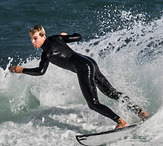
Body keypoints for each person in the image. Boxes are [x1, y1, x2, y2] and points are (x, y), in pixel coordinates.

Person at [10, 25, 149, 129]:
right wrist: (66, 35)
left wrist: (22, 70)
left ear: (43, 37)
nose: (33, 42)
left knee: (93, 103)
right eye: (31, 39)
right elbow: (78, 37)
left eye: (35, 38)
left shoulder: (47, 51)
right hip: (90, 62)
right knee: (111, 92)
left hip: (83, 67)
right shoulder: (56, 38)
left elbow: (41, 71)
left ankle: (120, 122)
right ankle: (140, 112)